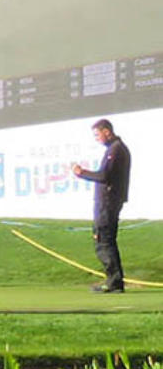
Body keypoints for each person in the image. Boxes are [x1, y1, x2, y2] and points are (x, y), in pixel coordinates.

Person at [71, 118, 131, 293]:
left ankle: (114, 282)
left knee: (103, 241)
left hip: (108, 202)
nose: (96, 138)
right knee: (106, 240)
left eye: (97, 134)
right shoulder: (116, 149)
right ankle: (114, 280)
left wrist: (82, 173)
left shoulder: (116, 149)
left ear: (107, 131)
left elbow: (104, 176)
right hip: (108, 202)